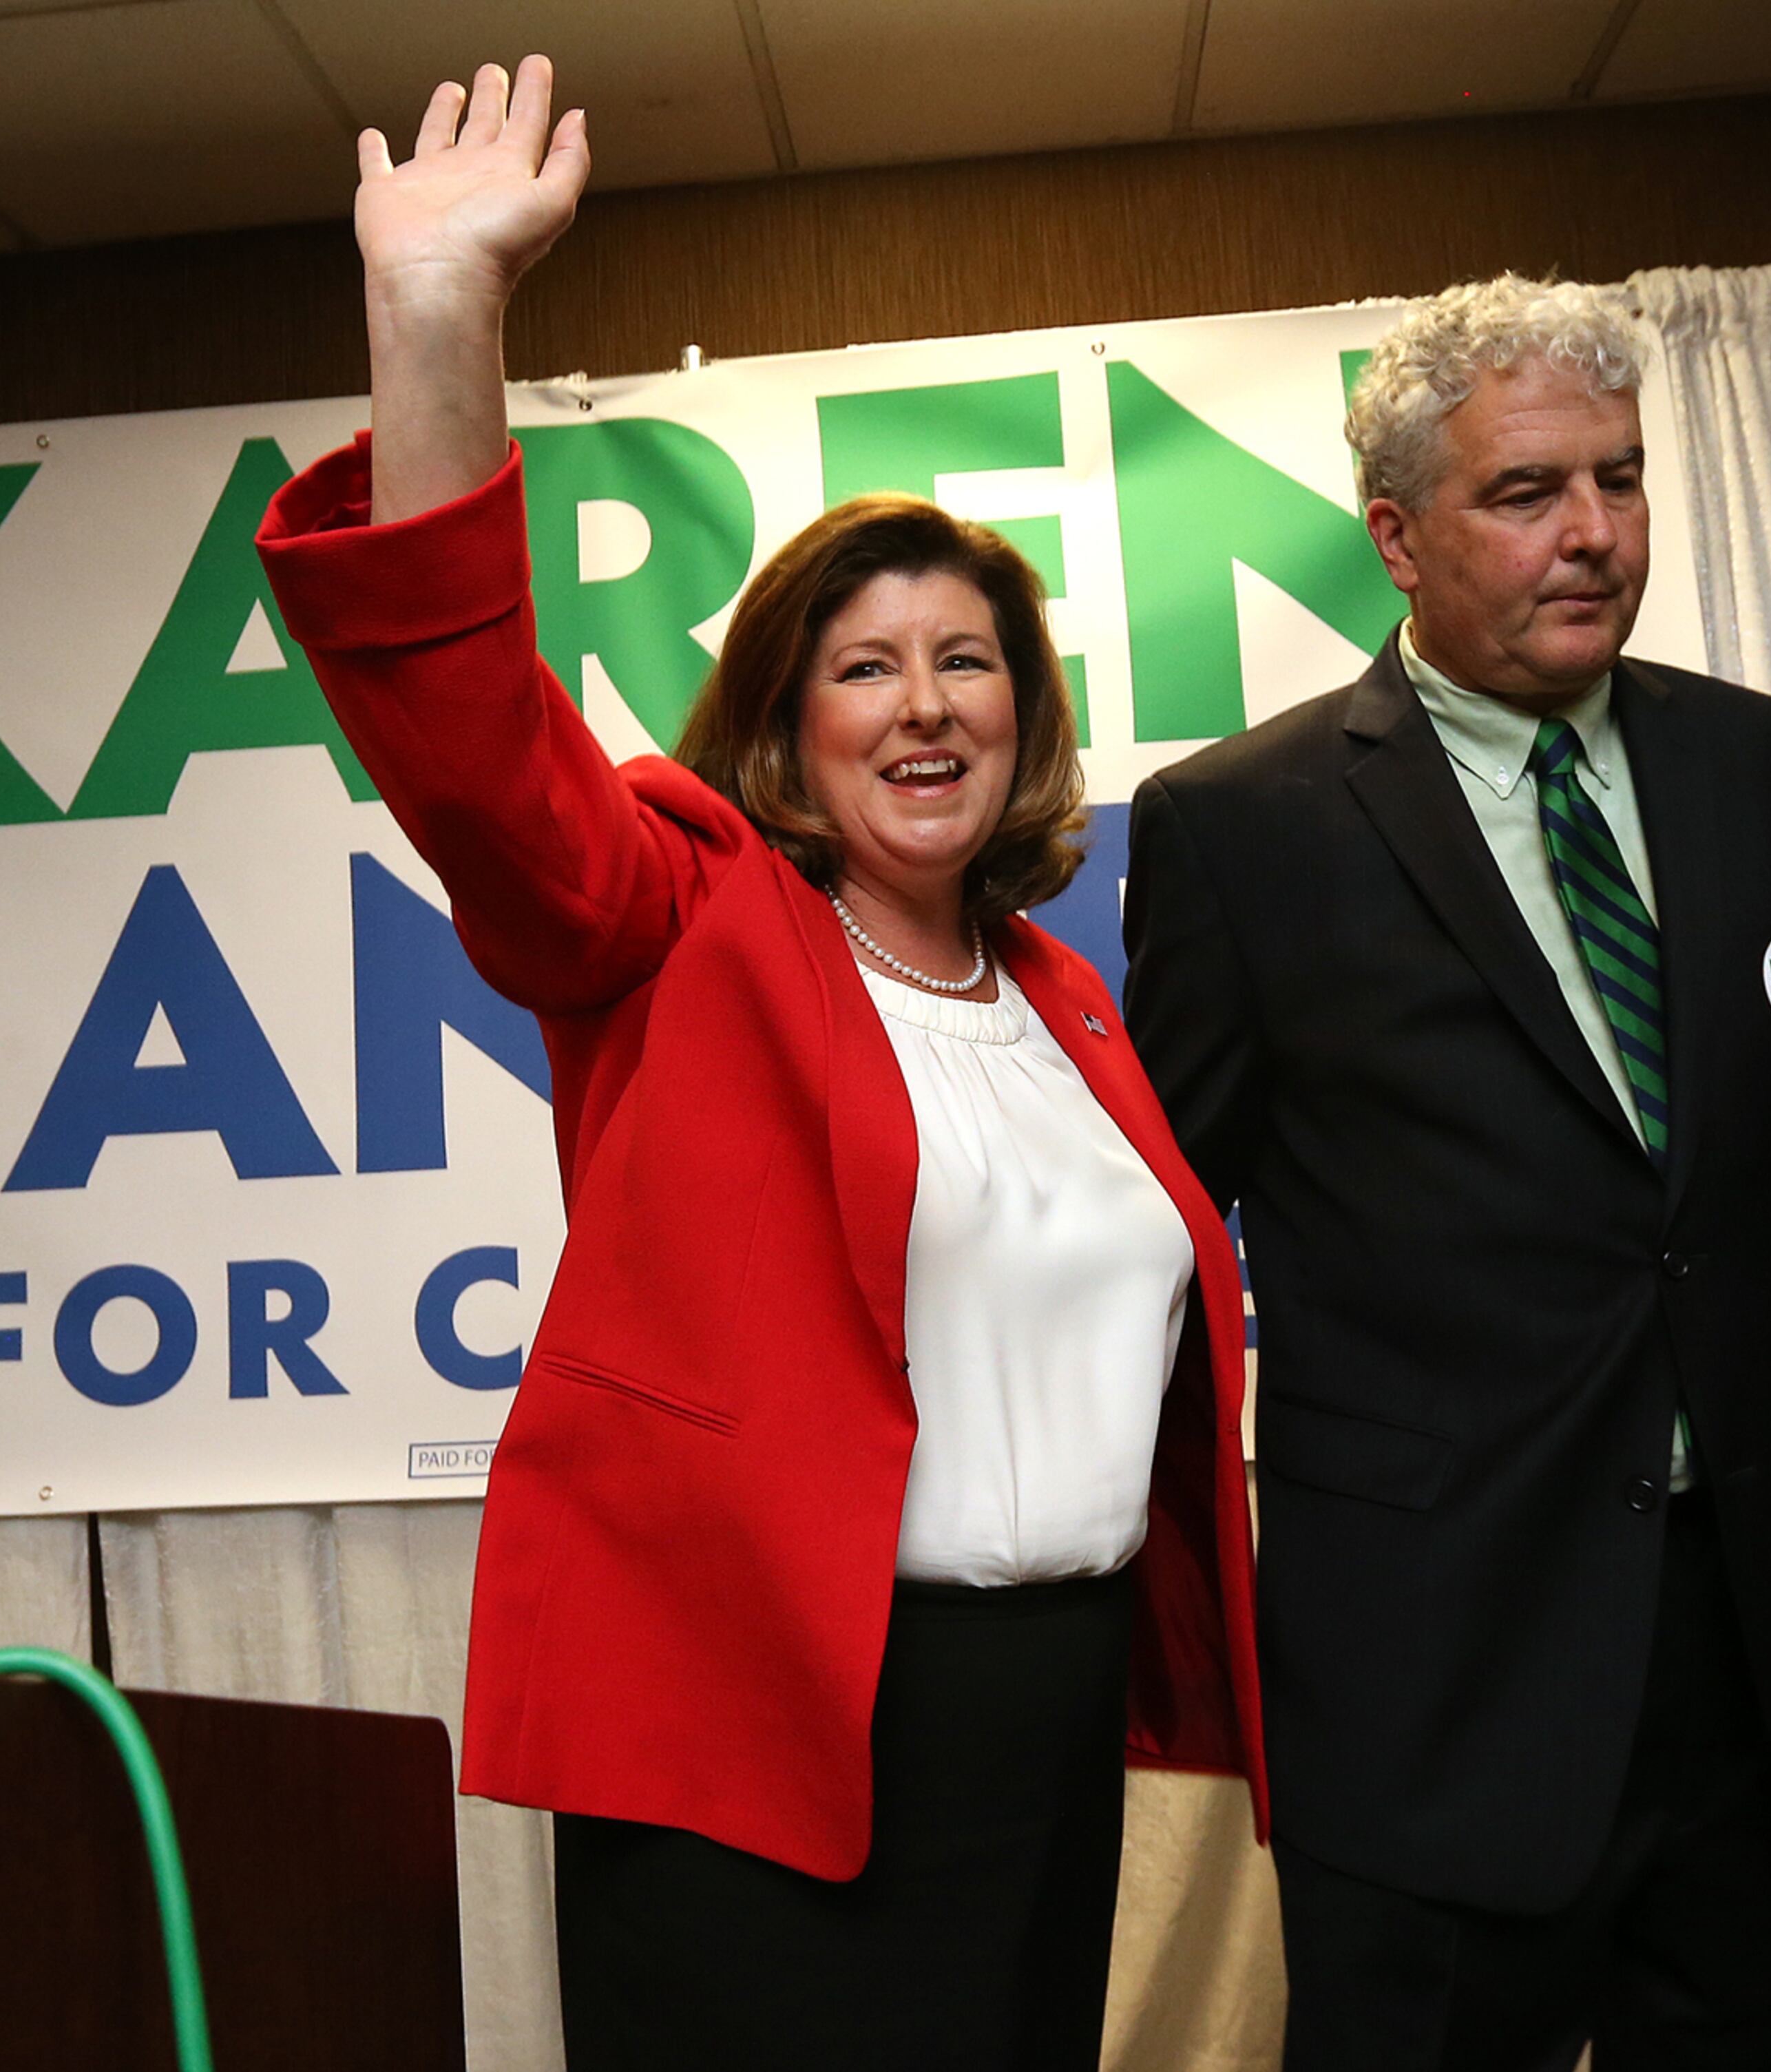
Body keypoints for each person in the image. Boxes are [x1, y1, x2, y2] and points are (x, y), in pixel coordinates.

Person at [252, 56, 1265, 2072]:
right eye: (864, 665)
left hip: (1043, 1726)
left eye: (967, 659)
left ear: (1026, 711)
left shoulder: (1066, 1003)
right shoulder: (685, 917)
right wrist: (440, 317)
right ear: (784, 723)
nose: (923, 705)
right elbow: (473, 745)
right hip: (762, 1729)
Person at [1121, 275, 1771, 2069]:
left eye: (1620, 479)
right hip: (1433, 1687)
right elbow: (1144, 1245)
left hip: (1769, 1665)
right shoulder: (1244, 833)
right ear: (1395, 533)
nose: (1598, 534)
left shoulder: (1763, 770)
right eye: (1529, 492)